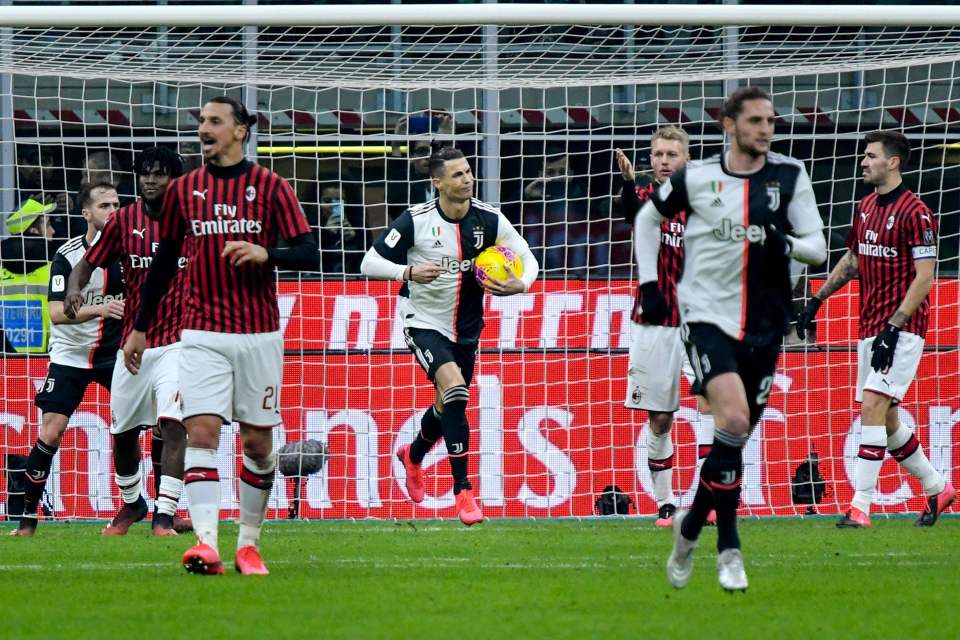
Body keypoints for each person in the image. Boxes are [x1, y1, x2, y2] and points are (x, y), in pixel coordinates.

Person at [634, 86, 827, 591]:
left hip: (765, 322)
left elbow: (819, 249)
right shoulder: (697, 178)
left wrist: (784, 241)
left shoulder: (789, 177)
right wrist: (651, 285)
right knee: (733, 418)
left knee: (731, 439)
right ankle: (730, 548)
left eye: (771, 120)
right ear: (728, 124)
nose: (766, 128)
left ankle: (690, 528)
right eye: (756, 120)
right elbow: (647, 218)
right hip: (706, 318)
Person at [123, 96, 318, 575]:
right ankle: (207, 545)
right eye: (201, 122)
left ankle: (248, 545)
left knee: (256, 444)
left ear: (240, 131)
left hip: (258, 334)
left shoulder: (270, 186)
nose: (204, 128)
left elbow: (310, 250)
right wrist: (140, 328)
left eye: (214, 121)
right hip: (201, 331)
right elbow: (165, 262)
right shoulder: (184, 190)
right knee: (201, 432)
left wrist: (265, 252)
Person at [361, 146, 538, 526]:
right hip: (421, 319)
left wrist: (520, 284)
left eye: (469, 172)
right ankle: (464, 492)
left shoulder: (489, 220)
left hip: (467, 328)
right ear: (437, 182)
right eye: (457, 175)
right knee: (456, 390)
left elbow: (527, 256)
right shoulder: (415, 220)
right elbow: (368, 262)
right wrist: (405, 274)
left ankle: (414, 455)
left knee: (447, 405)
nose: (467, 179)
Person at [797, 130, 955, 528]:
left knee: (871, 406)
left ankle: (860, 506)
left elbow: (924, 278)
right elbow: (853, 258)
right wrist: (818, 299)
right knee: (886, 420)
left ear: (893, 162)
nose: (864, 162)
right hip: (869, 325)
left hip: (903, 327)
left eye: (870, 156)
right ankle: (938, 489)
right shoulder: (866, 205)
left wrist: (894, 327)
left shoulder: (916, 212)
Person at [65, 146, 192, 536]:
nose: (150, 180)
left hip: (179, 341)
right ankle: (133, 503)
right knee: (122, 433)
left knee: (173, 425)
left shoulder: (192, 221)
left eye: (159, 173)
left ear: (174, 180)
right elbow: (87, 263)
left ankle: (165, 515)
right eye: (145, 173)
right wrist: (74, 289)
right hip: (135, 344)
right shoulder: (124, 221)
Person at [615, 127, 715, 528]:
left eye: (671, 153)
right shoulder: (645, 198)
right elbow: (630, 216)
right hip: (654, 322)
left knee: (710, 404)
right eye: (657, 154)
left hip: (698, 320)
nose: (663, 160)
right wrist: (626, 183)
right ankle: (666, 504)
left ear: (685, 159)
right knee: (659, 418)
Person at [10, 182, 123, 535]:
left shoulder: (131, 253)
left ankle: (161, 512)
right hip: (71, 355)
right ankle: (28, 519)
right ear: (86, 213)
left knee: (147, 425)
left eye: (117, 204)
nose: (113, 210)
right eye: (105, 205)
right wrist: (100, 307)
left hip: (114, 354)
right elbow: (57, 313)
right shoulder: (67, 255)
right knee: (52, 431)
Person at [1, 198, 57, 353]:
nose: (53, 231)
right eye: (47, 225)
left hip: (5, 358)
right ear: (33, 231)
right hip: (46, 357)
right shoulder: (55, 266)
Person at [521, 152, 590, 276]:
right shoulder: (529, 198)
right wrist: (526, 195)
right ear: (540, 175)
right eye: (550, 173)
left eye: (562, 172)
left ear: (572, 174)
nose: (557, 177)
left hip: (578, 259)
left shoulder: (582, 196)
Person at [386, 112, 454, 222]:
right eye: (422, 151)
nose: (428, 156)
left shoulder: (446, 187)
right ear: (411, 157)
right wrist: (396, 145)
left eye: (433, 151)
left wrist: (448, 142)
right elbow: (395, 202)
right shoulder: (404, 189)